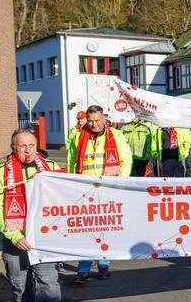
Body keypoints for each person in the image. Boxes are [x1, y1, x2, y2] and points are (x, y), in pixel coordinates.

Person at [0, 130, 61, 302]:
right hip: (16, 239)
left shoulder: (51, 167)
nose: (28, 150)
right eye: (22, 146)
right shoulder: (0, 173)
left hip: (45, 237)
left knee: (48, 284)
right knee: (20, 288)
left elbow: (63, 197)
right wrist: (14, 236)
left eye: (31, 145)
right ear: (14, 148)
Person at [67, 105, 132, 284]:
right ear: (86, 120)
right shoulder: (79, 136)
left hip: (109, 190)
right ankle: (83, 270)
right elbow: (72, 161)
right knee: (87, 230)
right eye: (90, 121)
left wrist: (120, 186)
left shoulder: (117, 136)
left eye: (97, 120)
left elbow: (126, 162)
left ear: (103, 118)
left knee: (104, 229)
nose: (94, 124)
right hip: (86, 191)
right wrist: (72, 184)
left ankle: (103, 265)